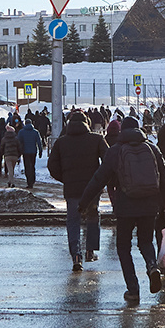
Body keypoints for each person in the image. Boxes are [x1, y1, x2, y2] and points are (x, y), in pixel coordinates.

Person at [78, 116, 165, 304]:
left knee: (123, 247)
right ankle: (152, 266)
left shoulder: (115, 151)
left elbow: (99, 179)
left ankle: (133, 290)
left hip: (126, 206)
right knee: (146, 242)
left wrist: (83, 202)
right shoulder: (152, 149)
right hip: (149, 205)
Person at [47, 111, 109, 269]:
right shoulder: (96, 139)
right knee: (93, 217)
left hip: (72, 189)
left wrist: (66, 178)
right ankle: (90, 251)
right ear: (87, 123)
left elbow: (52, 166)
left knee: (73, 221)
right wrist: (98, 179)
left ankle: (76, 256)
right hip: (92, 188)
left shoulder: (61, 142)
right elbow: (109, 160)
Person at [16, 116, 43, 190]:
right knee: (32, 166)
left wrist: (19, 151)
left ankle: (29, 182)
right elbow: (39, 142)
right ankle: (33, 179)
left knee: (27, 167)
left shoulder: (21, 132)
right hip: (33, 151)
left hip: (25, 152)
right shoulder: (35, 132)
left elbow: (18, 142)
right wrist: (40, 151)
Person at [1, 118, 23, 182]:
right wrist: (19, 155)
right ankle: (10, 181)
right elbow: (19, 147)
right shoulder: (16, 139)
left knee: (10, 169)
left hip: (7, 155)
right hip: (15, 156)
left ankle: (11, 182)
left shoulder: (4, 138)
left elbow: (2, 146)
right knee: (12, 169)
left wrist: (3, 153)